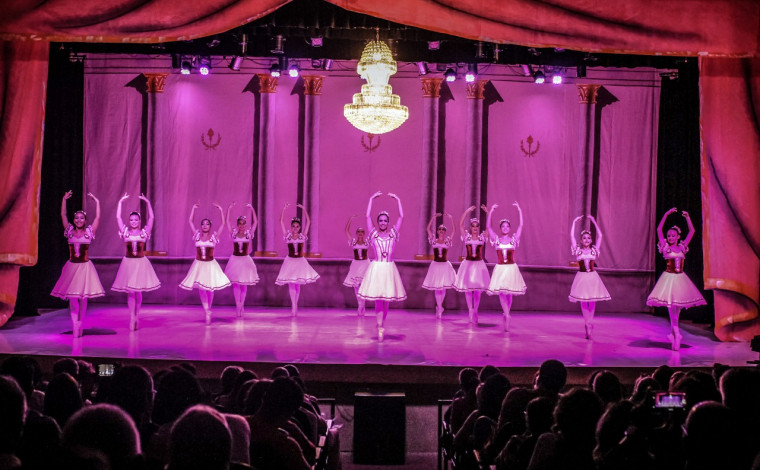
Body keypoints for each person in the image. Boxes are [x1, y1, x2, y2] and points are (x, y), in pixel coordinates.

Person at [646, 208, 706, 350]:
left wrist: (688, 218)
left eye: (673, 236)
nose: (670, 238)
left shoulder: (683, 247)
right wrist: (666, 214)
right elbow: (659, 229)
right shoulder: (666, 248)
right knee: (671, 306)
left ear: (678, 237)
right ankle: (676, 333)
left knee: (676, 308)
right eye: (669, 236)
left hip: (680, 279)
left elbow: (692, 231)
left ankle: (674, 333)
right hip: (669, 279)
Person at [52, 190, 105, 338]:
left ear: (85, 221)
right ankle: (75, 323)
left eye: (81, 218)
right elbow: (63, 215)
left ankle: (80, 321)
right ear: (74, 220)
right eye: (76, 218)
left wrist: (97, 202)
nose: (79, 220)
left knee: (83, 297)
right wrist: (64, 200)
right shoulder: (69, 231)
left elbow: (98, 217)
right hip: (72, 267)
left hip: (85, 267)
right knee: (72, 297)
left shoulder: (89, 232)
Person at [357, 191, 407, 340]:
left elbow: (401, 216)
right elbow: (367, 216)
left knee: (386, 300)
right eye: (381, 221)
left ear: (388, 222)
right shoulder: (374, 235)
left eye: (385, 221)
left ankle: (382, 322)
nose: (383, 223)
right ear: (378, 222)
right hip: (377, 268)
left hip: (389, 269)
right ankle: (380, 325)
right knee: (379, 299)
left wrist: (398, 199)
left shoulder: (392, 234)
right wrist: (371, 199)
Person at [111, 193, 161, 331]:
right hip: (128, 264)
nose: (133, 222)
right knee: (131, 292)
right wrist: (120, 202)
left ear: (139, 221)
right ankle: (132, 317)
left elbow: (151, 218)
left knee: (138, 292)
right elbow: (118, 217)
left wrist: (147, 202)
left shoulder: (144, 232)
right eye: (131, 220)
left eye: (136, 220)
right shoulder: (125, 232)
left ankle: (137, 314)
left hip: (140, 264)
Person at [179, 203, 231, 324]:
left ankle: (209, 308)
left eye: (207, 224)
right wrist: (193, 208)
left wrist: (221, 210)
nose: (205, 226)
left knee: (210, 289)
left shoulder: (213, 237)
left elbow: (223, 224)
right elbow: (190, 221)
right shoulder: (197, 236)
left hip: (210, 265)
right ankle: (207, 310)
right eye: (203, 224)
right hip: (199, 265)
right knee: (202, 289)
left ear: (210, 226)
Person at [484, 202, 527, 331]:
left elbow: (521, 225)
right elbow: (488, 227)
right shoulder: (496, 239)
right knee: (502, 292)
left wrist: (519, 209)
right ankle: (507, 315)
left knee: (509, 293)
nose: (505, 228)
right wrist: (491, 211)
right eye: (503, 226)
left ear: (509, 228)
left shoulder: (514, 239)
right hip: (500, 268)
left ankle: (506, 312)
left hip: (511, 268)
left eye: (507, 226)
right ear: (500, 228)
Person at [569, 215, 610, 340]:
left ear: (591, 240)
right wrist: (574, 222)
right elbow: (571, 236)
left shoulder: (594, 250)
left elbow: (601, 236)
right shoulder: (578, 251)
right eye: (584, 238)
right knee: (583, 301)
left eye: (588, 238)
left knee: (592, 301)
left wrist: (593, 221)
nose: (586, 240)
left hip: (592, 277)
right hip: (582, 278)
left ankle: (589, 323)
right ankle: (587, 323)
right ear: (581, 241)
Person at [276, 203, 319, 316]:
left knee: (297, 284)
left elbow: (308, 222)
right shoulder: (288, 236)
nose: (295, 228)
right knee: (291, 283)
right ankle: (293, 306)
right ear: (291, 227)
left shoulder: (302, 236)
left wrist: (304, 209)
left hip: (300, 261)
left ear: (300, 228)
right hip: (290, 261)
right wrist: (283, 210)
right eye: (293, 226)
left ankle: (295, 305)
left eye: (297, 226)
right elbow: (281, 222)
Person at [454, 205, 490, 325]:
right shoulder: (466, 237)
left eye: (477, 226)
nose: (475, 228)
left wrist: (488, 212)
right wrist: (466, 211)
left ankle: (475, 310)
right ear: (470, 227)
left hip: (479, 265)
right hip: (468, 265)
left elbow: (489, 227)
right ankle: (470, 309)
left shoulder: (482, 238)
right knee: (468, 290)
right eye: (473, 226)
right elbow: (460, 225)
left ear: (479, 228)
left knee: (478, 290)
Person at [224, 202, 259, 318]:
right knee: (236, 284)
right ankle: (237, 305)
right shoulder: (234, 233)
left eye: (244, 224)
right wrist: (229, 208)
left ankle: (241, 305)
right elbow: (227, 222)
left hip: (245, 260)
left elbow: (256, 222)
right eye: (240, 224)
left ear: (246, 225)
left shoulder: (249, 234)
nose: (242, 226)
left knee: (243, 284)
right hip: (235, 260)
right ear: (237, 225)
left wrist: (252, 209)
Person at [421, 213, 457, 318]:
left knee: (443, 287)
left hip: (445, 265)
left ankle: (439, 307)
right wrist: (433, 218)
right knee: (437, 287)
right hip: (436, 265)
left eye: (443, 229)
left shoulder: (447, 241)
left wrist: (451, 219)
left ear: (445, 232)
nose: (441, 231)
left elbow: (454, 231)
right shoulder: (433, 240)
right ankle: (440, 307)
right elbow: (427, 229)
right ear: (437, 231)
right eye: (440, 229)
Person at [343, 215, 370, 315]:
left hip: (365, 264)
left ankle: (362, 305)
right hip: (356, 265)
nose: (360, 233)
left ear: (364, 234)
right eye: (358, 232)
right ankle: (360, 304)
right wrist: (350, 219)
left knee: (363, 285)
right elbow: (346, 230)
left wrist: (369, 219)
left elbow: (373, 232)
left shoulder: (367, 242)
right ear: (356, 233)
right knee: (356, 286)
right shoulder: (353, 242)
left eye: (362, 232)